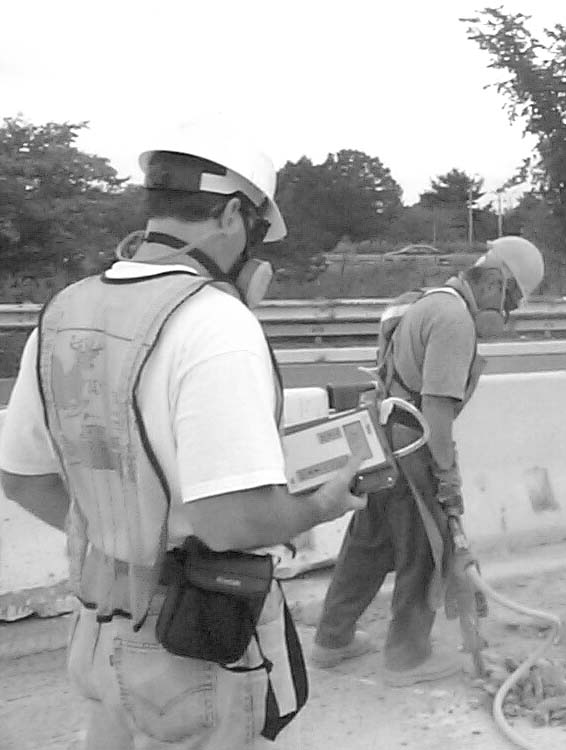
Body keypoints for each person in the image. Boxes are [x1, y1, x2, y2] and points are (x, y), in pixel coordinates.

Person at [0, 126, 367, 749]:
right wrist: (324, 502)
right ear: (230, 215)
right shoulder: (214, 323)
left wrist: (120, 537)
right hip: (188, 643)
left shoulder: (64, 310)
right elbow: (231, 520)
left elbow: (20, 475)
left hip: (99, 626)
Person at [309, 236, 545, 686]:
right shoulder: (456, 319)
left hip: (383, 439)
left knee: (368, 546)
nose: (508, 314)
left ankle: (331, 640)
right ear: (496, 284)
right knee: (424, 550)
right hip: (412, 449)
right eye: (511, 300)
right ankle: (408, 656)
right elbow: (437, 408)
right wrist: (446, 475)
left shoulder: (428, 302)